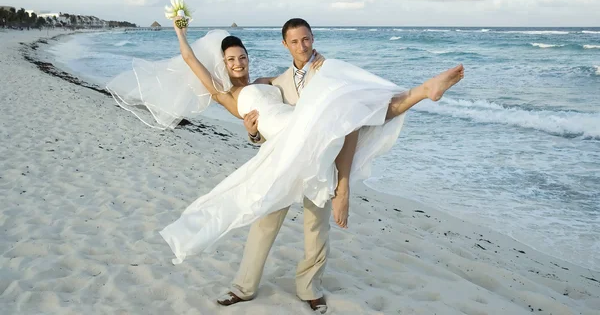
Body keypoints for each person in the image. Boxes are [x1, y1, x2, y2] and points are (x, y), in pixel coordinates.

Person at [156, 17, 464, 313]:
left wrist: (321, 66)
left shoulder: (271, 81)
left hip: (297, 131)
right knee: (265, 221)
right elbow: (190, 59)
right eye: (231, 60)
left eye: (242, 58)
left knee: (319, 215)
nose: (238, 64)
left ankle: (309, 288)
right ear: (222, 65)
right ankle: (243, 287)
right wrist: (180, 30)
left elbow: (297, 94)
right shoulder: (223, 93)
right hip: (283, 147)